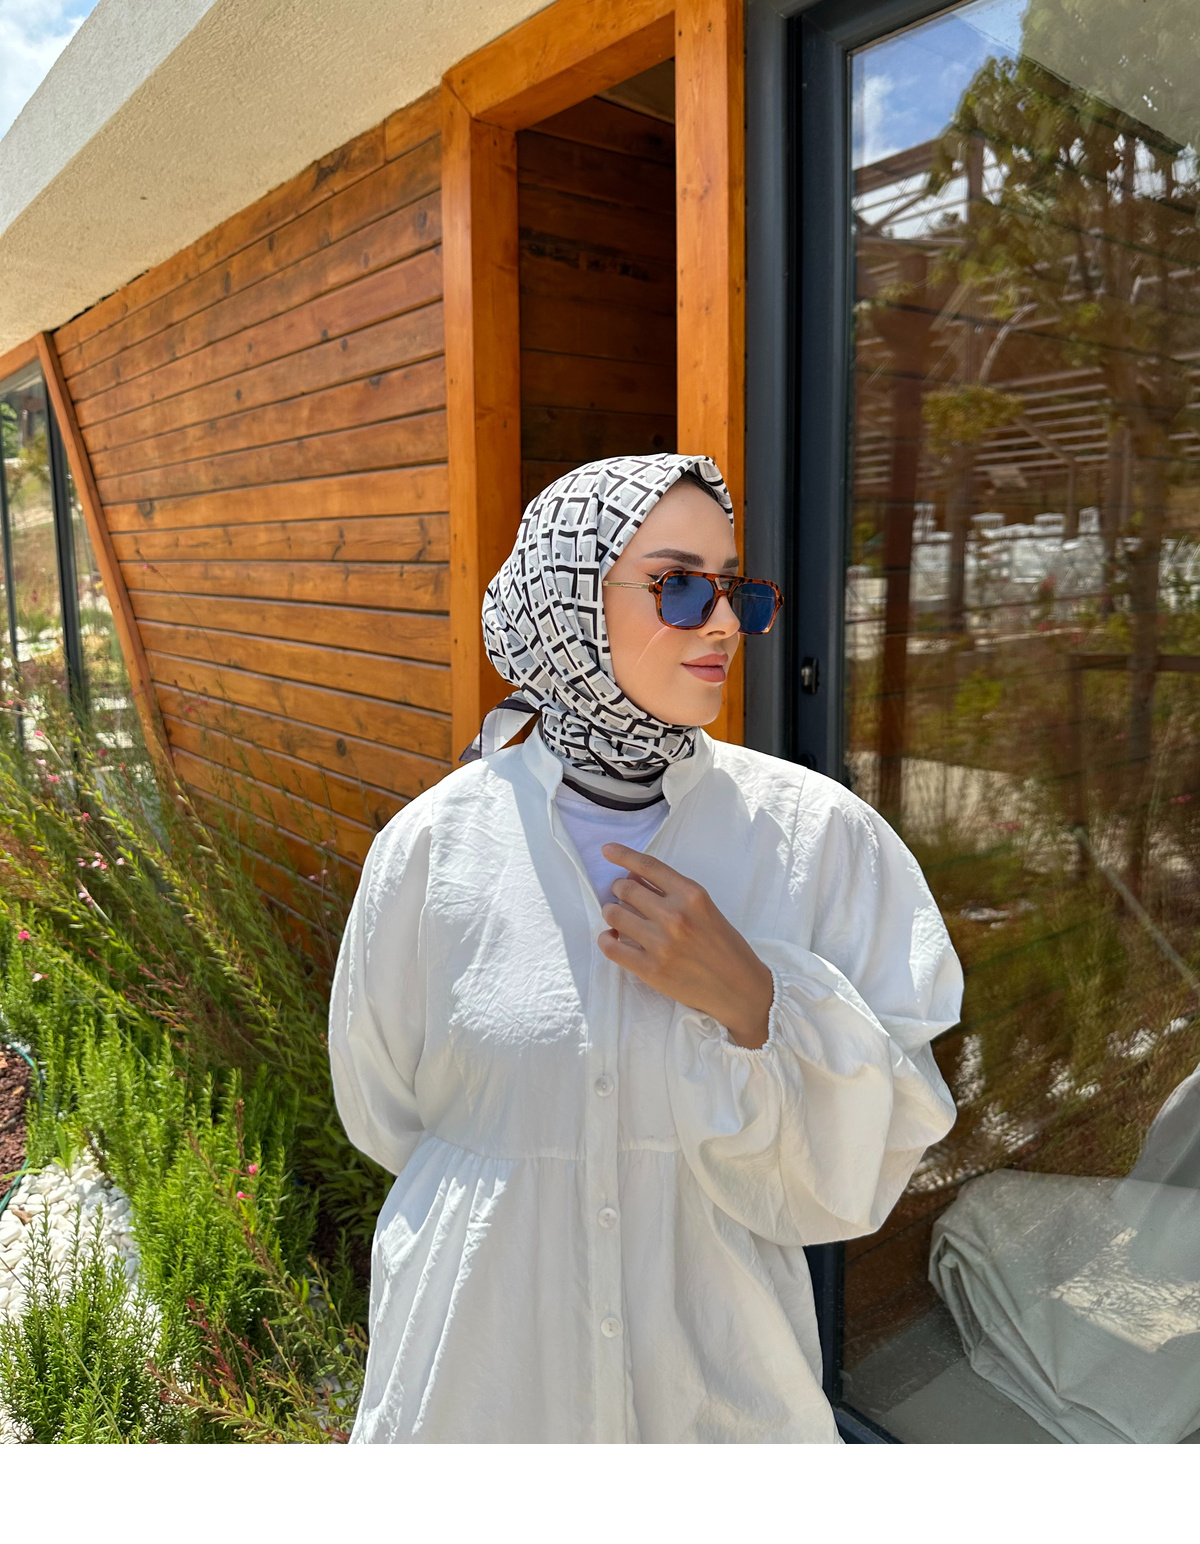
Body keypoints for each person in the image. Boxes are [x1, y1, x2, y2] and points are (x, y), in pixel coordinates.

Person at [328, 452, 962, 1443]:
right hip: (483, 1385)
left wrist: (756, 1002)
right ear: (566, 602)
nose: (724, 623)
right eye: (679, 586)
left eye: (735, 590)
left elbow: (888, 1135)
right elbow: (387, 1112)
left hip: (716, 1402)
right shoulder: (433, 850)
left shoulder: (817, 838)